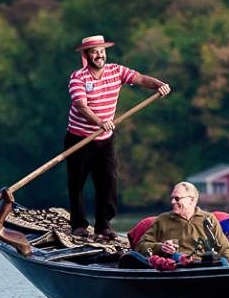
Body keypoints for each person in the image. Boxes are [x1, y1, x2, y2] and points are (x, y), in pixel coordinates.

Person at [65, 34, 171, 241]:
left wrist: (160, 84)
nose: (99, 55)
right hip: (79, 138)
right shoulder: (78, 77)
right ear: (87, 55)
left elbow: (140, 79)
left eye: (102, 51)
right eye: (94, 52)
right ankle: (78, 224)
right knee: (76, 182)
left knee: (108, 180)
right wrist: (100, 122)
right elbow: (81, 106)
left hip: (105, 139)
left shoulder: (117, 71)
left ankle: (103, 225)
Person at [135, 182, 229, 261]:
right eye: (172, 198)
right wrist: (161, 247)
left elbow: (226, 248)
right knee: (177, 257)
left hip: (203, 267)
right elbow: (140, 246)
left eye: (177, 198)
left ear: (192, 200)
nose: (172, 202)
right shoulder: (163, 220)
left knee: (223, 261)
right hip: (175, 267)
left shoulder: (209, 219)